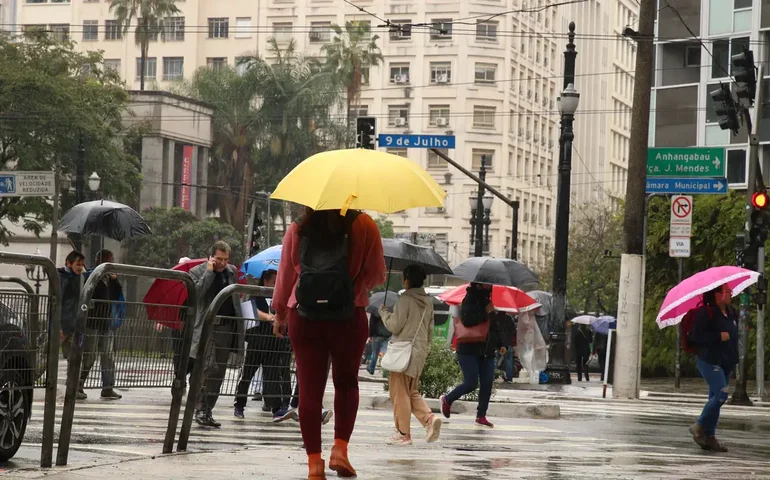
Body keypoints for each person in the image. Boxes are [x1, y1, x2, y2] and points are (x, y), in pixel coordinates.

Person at [272, 207, 386, 480]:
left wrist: (279, 312)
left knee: (310, 389)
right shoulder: (364, 224)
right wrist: (354, 279)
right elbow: (377, 276)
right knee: (346, 383)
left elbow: (286, 275)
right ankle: (339, 450)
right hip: (348, 313)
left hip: (304, 314)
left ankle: (314, 464)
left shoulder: (298, 227)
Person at [378, 265, 441, 446]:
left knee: (399, 393)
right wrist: (425, 350)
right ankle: (429, 419)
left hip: (403, 352)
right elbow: (430, 330)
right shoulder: (428, 302)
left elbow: (394, 326)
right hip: (419, 352)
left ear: (407, 279)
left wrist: (384, 313)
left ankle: (403, 434)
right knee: (410, 391)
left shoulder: (405, 299)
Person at [440, 283, 513, 429]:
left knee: (487, 384)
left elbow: (494, 326)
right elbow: (467, 320)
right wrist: (485, 311)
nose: (489, 286)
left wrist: (501, 344)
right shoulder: (469, 299)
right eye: (486, 284)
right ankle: (447, 399)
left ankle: (481, 416)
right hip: (468, 349)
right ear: (479, 284)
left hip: (487, 350)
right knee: (471, 383)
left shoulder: (488, 301)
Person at [188, 241, 245, 428]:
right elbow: (196, 294)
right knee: (208, 367)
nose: (222, 263)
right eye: (219, 259)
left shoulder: (231, 272)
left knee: (219, 372)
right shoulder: (197, 271)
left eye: (225, 259)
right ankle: (200, 408)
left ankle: (208, 410)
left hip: (227, 329)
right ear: (210, 257)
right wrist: (209, 272)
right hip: (207, 327)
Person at [234, 269, 294, 422]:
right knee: (248, 374)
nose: (276, 284)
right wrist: (268, 316)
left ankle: (275, 408)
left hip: (273, 342)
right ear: (266, 281)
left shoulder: (280, 295)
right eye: (274, 281)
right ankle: (239, 404)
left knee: (272, 375)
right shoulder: (255, 293)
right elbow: (250, 310)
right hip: (257, 340)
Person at [688, 284, 738, 453]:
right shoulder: (705, 312)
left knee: (715, 400)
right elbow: (696, 336)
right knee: (722, 394)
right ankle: (699, 425)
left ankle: (709, 437)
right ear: (717, 294)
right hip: (709, 361)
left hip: (726, 362)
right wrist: (718, 336)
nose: (731, 293)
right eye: (727, 291)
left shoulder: (731, 312)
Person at [79, 249, 124, 400]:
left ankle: (108, 388)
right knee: (89, 356)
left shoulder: (110, 280)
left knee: (108, 356)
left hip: (106, 322)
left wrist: (114, 280)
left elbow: (116, 293)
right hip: (92, 322)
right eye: (109, 260)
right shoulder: (91, 276)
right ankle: (79, 384)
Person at [59, 251, 86, 397]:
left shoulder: (77, 278)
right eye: (78, 264)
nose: (80, 267)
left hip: (73, 325)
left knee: (74, 359)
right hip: (63, 325)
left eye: (82, 264)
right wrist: (59, 325)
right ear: (68, 263)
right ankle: (28, 381)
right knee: (46, 356)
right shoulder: (64, 279)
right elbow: (58, 303)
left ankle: (72, 389)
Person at [367, 310, 391, 375]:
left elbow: (371, 324)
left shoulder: (375, 311)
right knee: (386, 352)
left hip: (377, 335)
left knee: (375, 353)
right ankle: (386, 370)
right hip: (387, 334)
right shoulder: (388, 311)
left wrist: (370, 335)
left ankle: (371, 368)